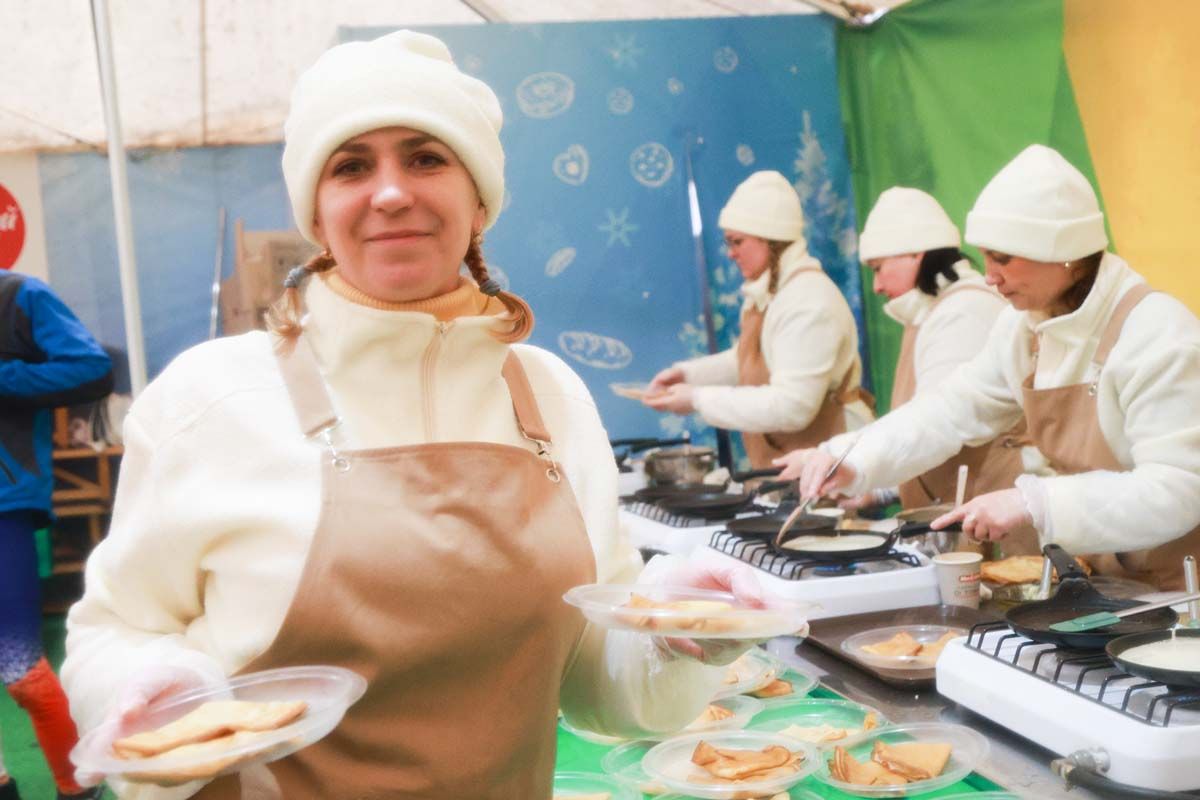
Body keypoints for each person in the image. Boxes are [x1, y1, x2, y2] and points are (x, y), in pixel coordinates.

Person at [62, 31, 768, 800]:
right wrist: (150, 682)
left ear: (479, 200)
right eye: (351, 166)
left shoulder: (551, 398)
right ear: (317, 214)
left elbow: (594, 683)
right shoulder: (211, 401)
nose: (391, 192)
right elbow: (113, 631)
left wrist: (675, 631)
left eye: (427, 158)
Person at [783, 145, 1200, 590]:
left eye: (1003, 258)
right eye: (986, 257)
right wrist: (855, 459)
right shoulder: (1023, 328)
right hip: (1104, 578)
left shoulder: (1157, 333)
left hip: (1180, 586)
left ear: (1066, 253)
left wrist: (1035, 501)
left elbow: (1179, 487)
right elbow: (951, 409)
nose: (989, 276)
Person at [808, 187, 1036, 554]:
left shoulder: (963, 311)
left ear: (916, 253)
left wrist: (850, 457)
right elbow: (925, 426)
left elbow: (940, 426)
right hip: (959, 522)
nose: (876, 286)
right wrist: (873, 486)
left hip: (991, 532)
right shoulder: (932, 311)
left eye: (878, 268)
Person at [644, 171, 873, 469]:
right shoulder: (770, 293)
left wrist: (698, 399)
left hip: (834, 462)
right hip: (794, 465)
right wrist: (688, 375)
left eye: (737, 242)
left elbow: (793, 407)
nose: (730, 254)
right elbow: (751, 359)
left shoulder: (807, 301)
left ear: (770, 240)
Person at [0, 270, 112, 800]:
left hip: (5, 505)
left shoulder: (17, 296)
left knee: (20, 667)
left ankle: (78, 784)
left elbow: (91, 369)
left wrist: (5, 377)